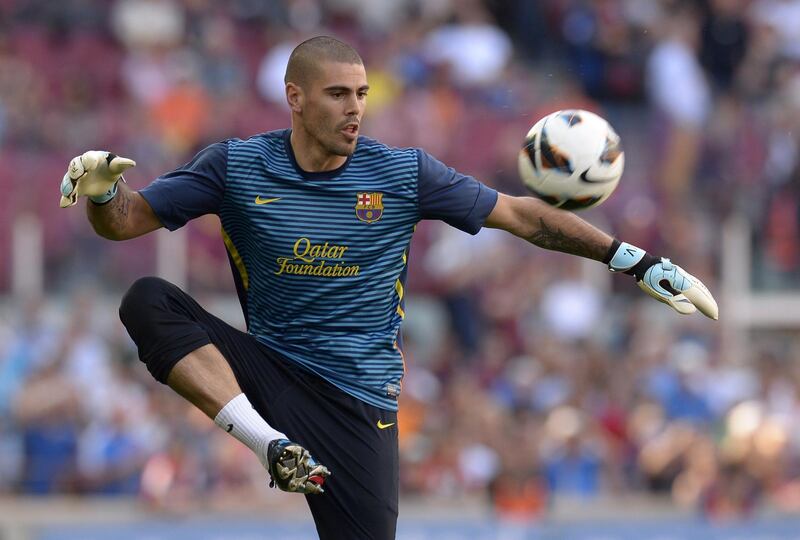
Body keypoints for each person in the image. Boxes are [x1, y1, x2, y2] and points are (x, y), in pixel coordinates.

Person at [58, 35, 718, 540]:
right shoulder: (235, 166)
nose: (355, 109)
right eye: (338, 94)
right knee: (146, 299)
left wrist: (632, 260)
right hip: (270, 376)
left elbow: (520, 215)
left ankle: (294, 452)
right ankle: (271, 448)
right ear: (295, 98)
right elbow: (126, 221)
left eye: (362, 93)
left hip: (357, 402)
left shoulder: (402, 173)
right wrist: (100, 191)